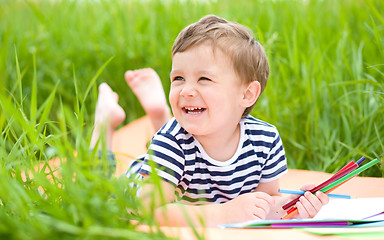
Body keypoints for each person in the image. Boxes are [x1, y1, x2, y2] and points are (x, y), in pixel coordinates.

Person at [90, 15, 329, 227]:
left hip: (177, 173)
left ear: (246, 94)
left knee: (172, 141)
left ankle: (159, 114)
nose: (186, 90)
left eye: (204, 78)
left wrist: (295, 206)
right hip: (135, 192)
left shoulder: (264, 140)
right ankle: (104, 122)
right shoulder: (170, 142)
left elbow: (263, 205)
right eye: (179, 78)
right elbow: (150, 211)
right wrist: (224, 214)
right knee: (95, 188)